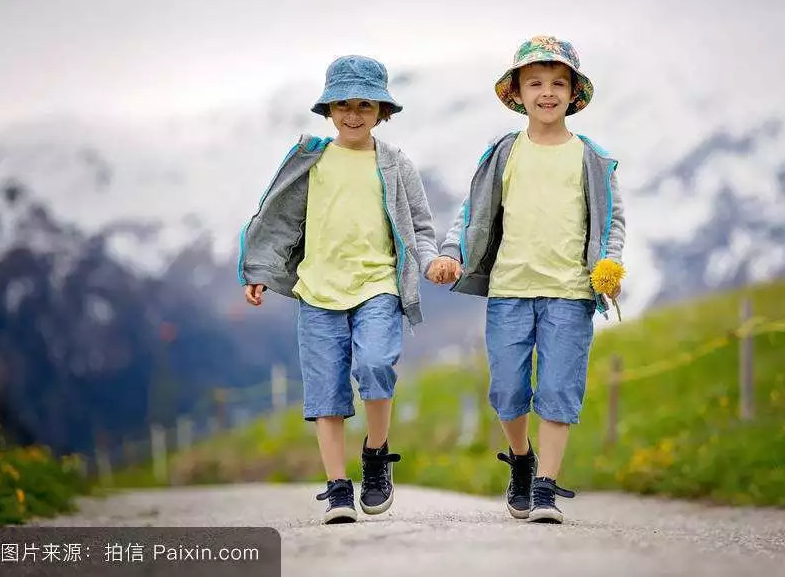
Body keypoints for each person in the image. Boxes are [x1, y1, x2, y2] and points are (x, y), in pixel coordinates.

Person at [429, 35, 626, 523]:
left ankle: (545, 487)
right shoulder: (504, 152)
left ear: (573, 93)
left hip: (570, 293)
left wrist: (610, 264)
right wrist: (452, 250)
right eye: (535, 82)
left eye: (558, 83)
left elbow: (612, 221)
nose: (547, 92)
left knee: (559, 390)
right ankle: (521, 459)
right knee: (508, 392)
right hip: (510, 290)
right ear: (516, 92)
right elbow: (472, 212)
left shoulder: (591, 158)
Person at [238, 55, 440, 524]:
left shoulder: (394, 164)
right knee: (325, 391)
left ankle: (375, 455)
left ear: (382, 111)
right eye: (343, 104)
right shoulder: (312, 160)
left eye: (365, 105)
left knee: (375, 366)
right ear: (328, 109)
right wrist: (260, 271)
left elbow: (421, 227)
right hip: (317, 292)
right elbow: (282, 222)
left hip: (378, 286)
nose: (353, 114)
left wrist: (431, 263)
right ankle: (336, 488)